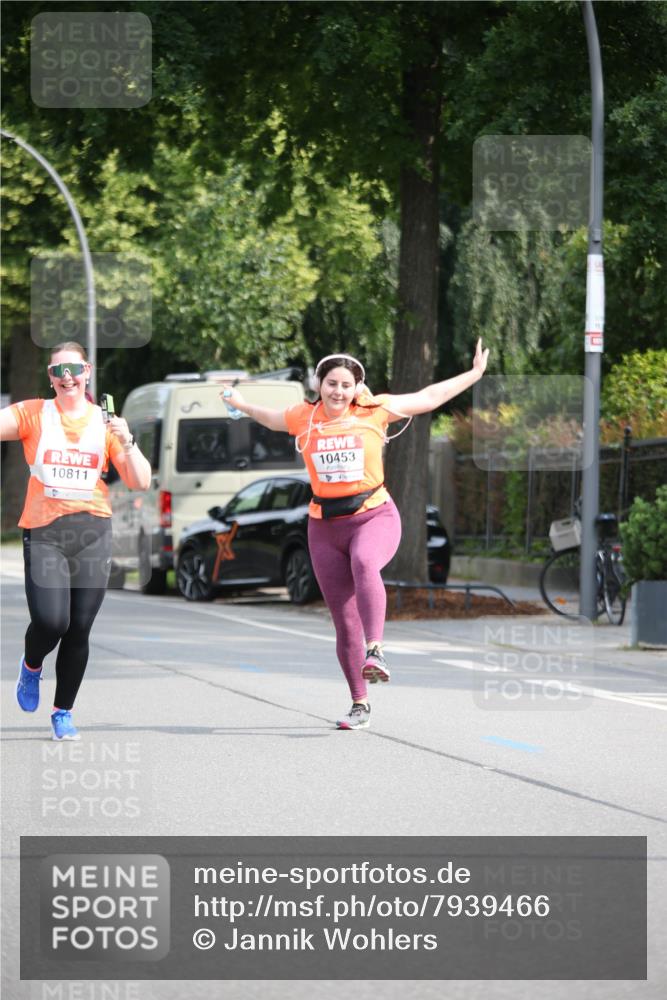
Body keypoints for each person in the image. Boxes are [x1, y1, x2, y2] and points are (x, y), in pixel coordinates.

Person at [221, 339, 489, 730]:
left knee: (366, 562)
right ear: (319, 384)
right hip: (324, 526)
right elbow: (271, 417)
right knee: (344, 621)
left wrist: (474, 373)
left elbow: (430, 397)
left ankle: (376, 649)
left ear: (356, 388)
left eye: (346, 385)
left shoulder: (374, 410)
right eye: (331, 383)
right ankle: (359, 704)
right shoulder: (304, 418)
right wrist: (240, 404)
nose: (338, 391)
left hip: (373, 515)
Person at [0, 342, 152, 740]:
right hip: (45, 530)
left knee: (79, 627)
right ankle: (32, 666)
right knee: (52, 621)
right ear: (50, 378)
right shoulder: (33, 413)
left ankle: (62, 712)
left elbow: (141, 480)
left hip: (92, 531)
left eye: (73, 368)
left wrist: (128, 439)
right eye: (57, 370)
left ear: (87, 371)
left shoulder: (107, 422)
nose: (66, 376)